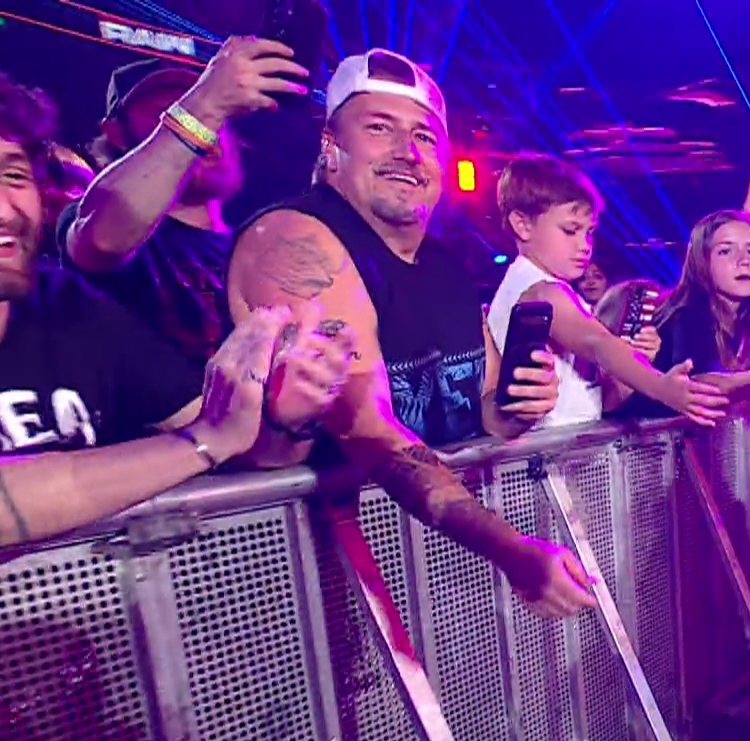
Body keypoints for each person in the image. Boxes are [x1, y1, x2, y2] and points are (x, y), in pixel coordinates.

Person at [225, 49, 596, 618]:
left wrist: (519, 404)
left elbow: (485, 406)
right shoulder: (295, 240)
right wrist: (509, 548)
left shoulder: (446, 266)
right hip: (313, 590)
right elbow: (369, 431)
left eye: (424, 136)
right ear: (330, 146)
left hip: (435, 570)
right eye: (379, 128)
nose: (407, 151)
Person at [0, 71, 346, 544]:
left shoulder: (67, 305)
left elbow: (243, 445)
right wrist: (200, 443)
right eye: (168, 112)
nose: (5, 210)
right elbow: (103, 232)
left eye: (13, 174)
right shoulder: (116, 245)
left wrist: (292, 418)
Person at [62, 40, 306, 368]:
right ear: (117, 134)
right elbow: (103, 237)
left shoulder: (260, 247)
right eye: (172, 109)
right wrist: (205, 105)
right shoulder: (106, 224)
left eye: (222, 111)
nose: (207, 131)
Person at [488, 153, 709, 427]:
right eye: (570, 231)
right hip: (547, 452)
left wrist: (636, 363)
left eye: (589, 232)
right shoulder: (541, 292)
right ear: (522, 225)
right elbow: (597, 343)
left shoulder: (551, 290)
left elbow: (596, 404)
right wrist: (661, 386)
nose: (585, 245)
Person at [635, 209, 750, 414]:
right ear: (703, 261)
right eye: (726, 251)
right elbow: (695, 386)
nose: (744, 260)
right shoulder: (686, 316)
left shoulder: (746, 321)